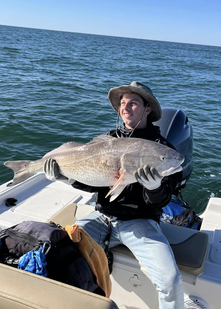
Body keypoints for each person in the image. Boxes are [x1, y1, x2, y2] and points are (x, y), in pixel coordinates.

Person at [45, 81, 184, 309]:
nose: (125, 108)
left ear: (147, 109)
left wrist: (154, 187)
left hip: (140, 222)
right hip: (101, 218)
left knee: (170, 280)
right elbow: (94, 185)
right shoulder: (106, 140)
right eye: (122, 103)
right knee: (58, 257)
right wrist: (66, 177)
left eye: (133, 103)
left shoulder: (163, 151)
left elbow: (164, 199)